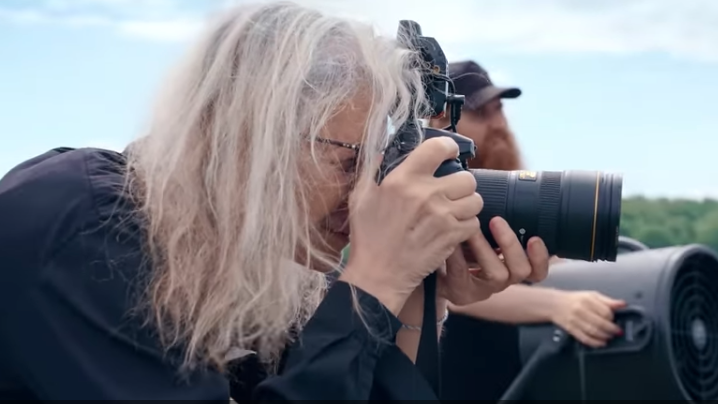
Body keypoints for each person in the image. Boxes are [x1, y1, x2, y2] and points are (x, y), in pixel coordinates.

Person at [0, 4, 550, 401]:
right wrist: (376, 279)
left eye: (379, 167)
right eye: (350, 162)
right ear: (249, 140)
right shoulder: (82, 226)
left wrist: (409, 295)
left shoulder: (247, 266)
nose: (371, 196)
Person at [433, 60, 625, 401]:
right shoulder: (430, 190)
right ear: (442, 122)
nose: (498, 124)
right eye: (482, 113)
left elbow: (549, 262)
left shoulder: (518, 193)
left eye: (500, 109)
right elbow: (446, 287)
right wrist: (558, 306)